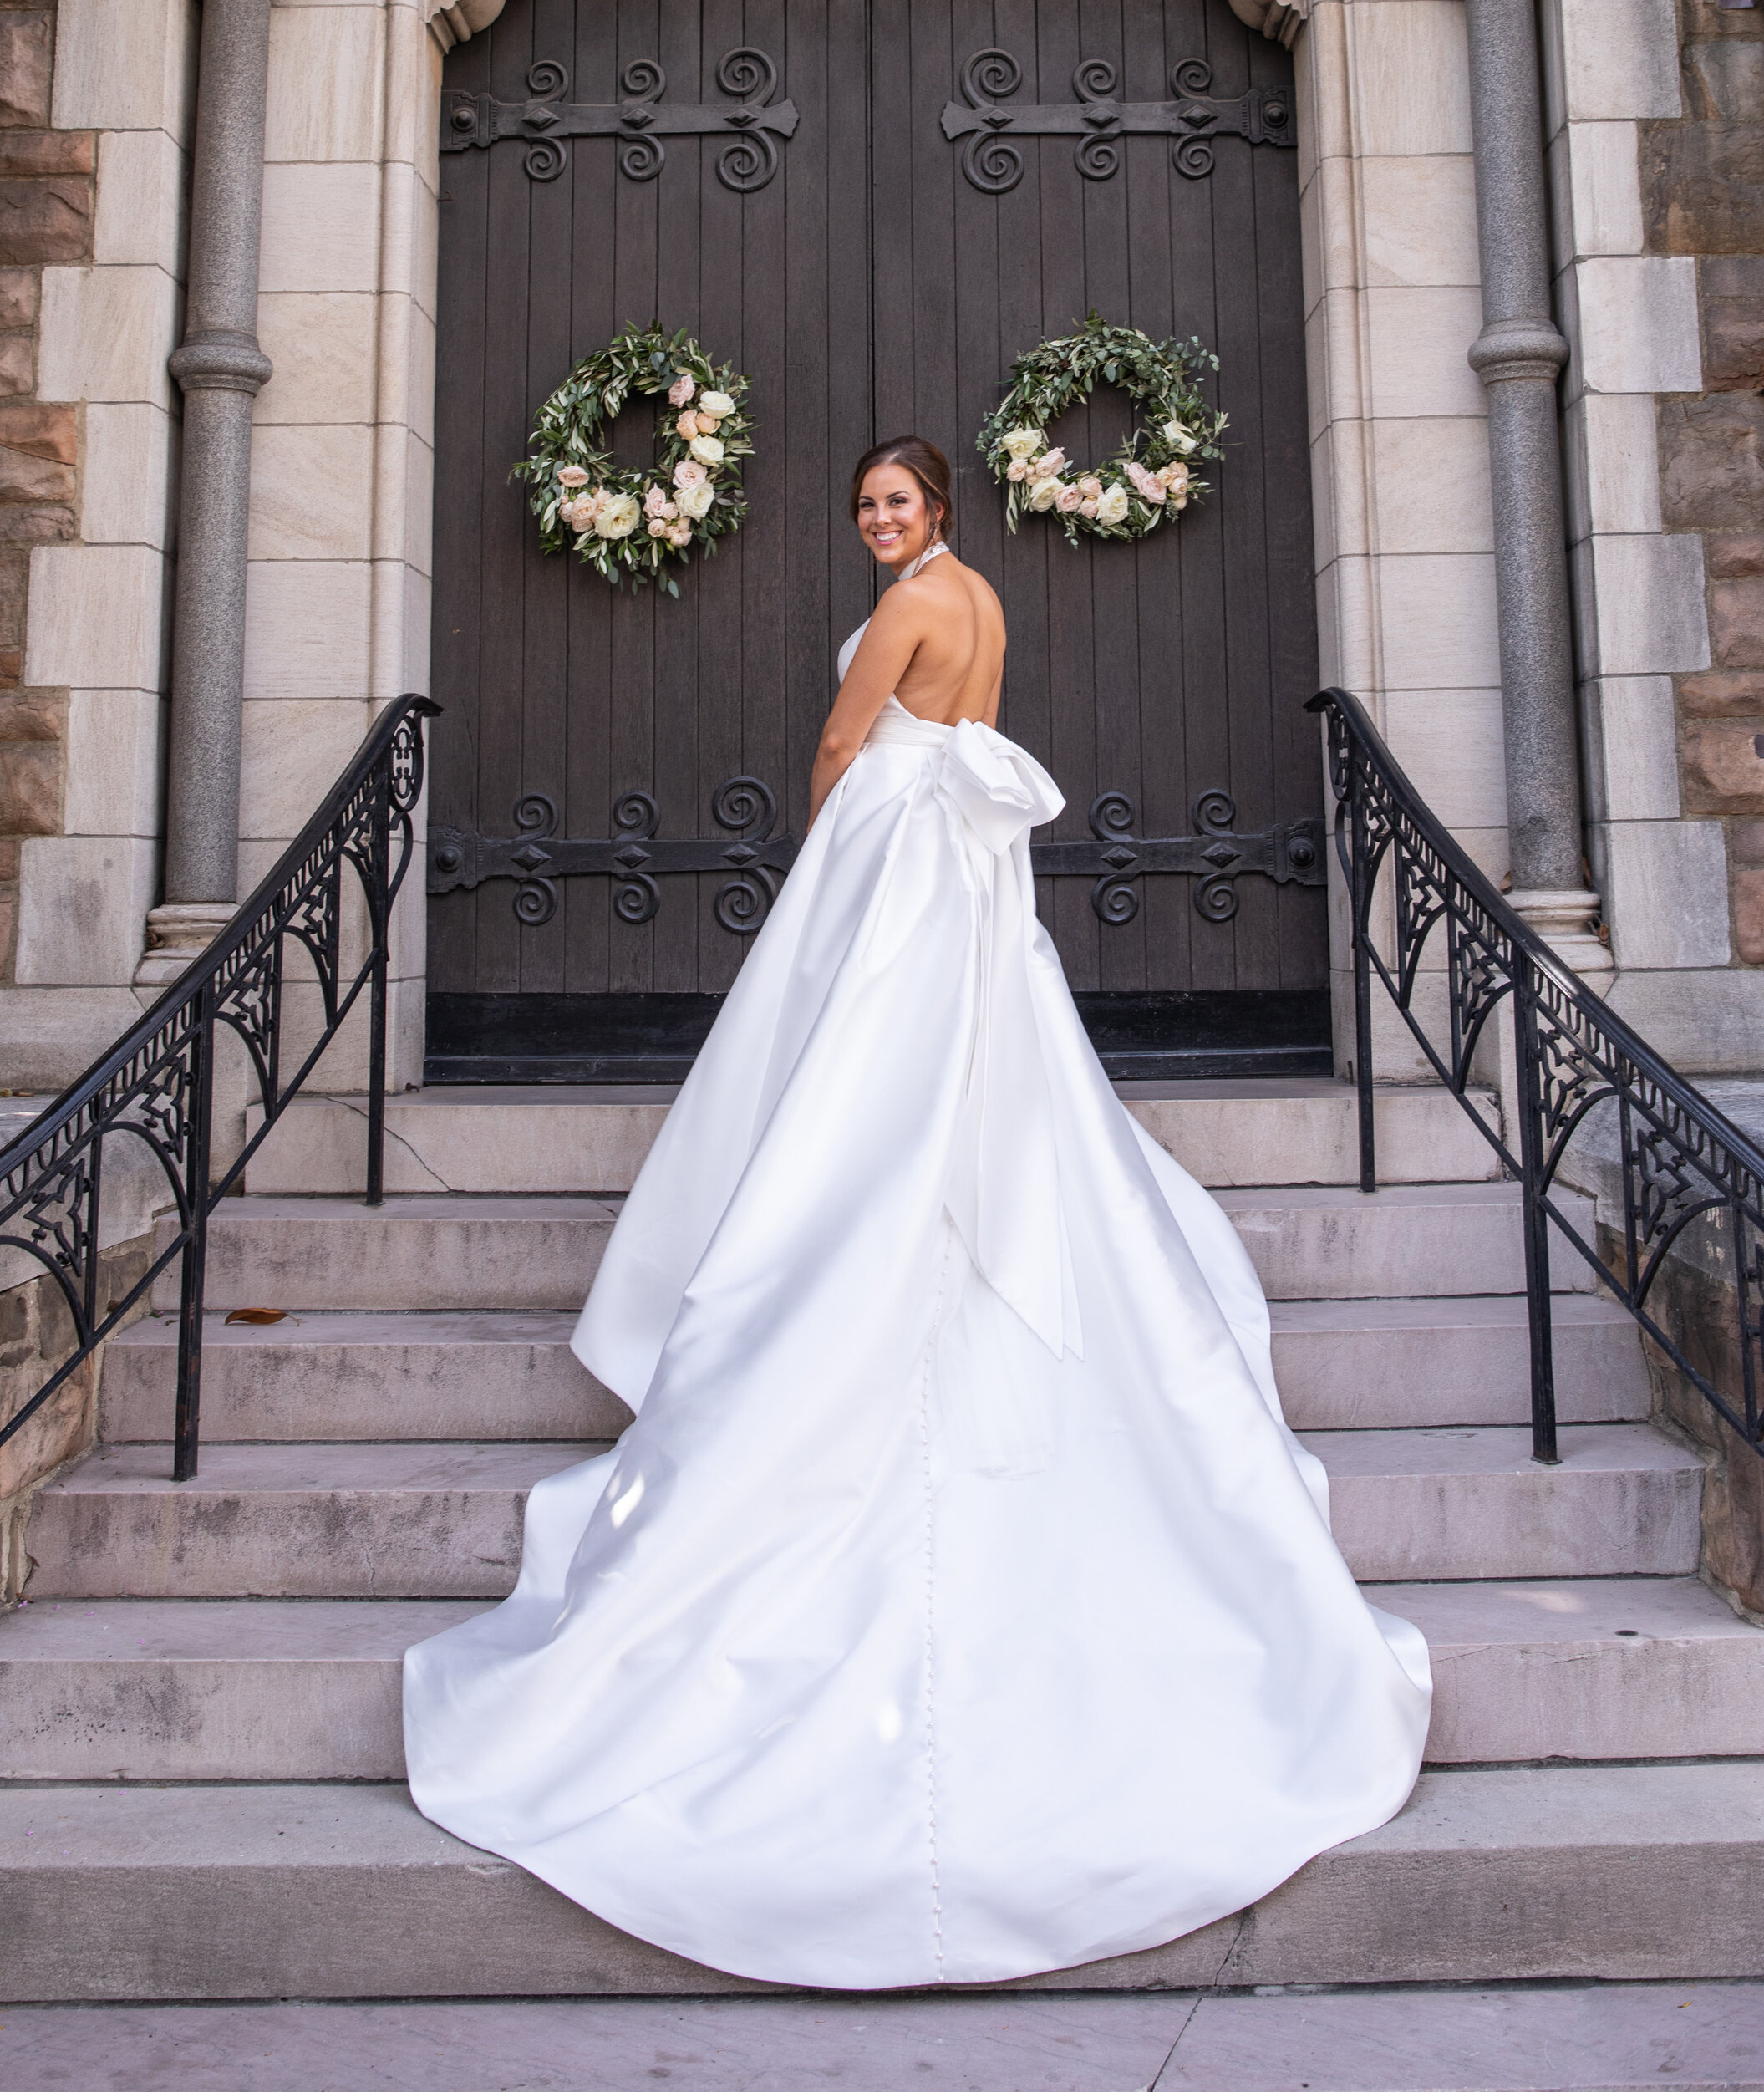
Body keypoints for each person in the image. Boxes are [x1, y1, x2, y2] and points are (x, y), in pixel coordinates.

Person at [403, 437, 1430, 1987]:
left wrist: (820, 852)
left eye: (896, 503)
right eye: (867, 504)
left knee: (862, 1078)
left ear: (934, 511)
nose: (880, 520)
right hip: (957, 863)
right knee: (965, 1071)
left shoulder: (907, 609)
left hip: (893, 847)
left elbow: (837, 743)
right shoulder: (988, 599)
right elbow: (975, 729)